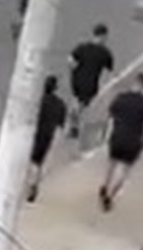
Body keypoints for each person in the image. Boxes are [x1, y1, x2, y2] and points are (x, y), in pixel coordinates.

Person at [100, 73, 143, 211]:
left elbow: (109, 119)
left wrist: (105, 136)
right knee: (125, 171)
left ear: (134, 83)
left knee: (112, 165)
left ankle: (105, 186)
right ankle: (111, 196)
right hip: (133, 141)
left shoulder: (120, 98)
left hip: (117, 137)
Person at [26, 75, 67, 203]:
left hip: (39, 133)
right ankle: (35, 182)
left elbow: (33, 117)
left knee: (34, 161)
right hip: (49, 135)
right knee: (40, 162)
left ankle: (32, 184)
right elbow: (61, 126)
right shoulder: (61, 104)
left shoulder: (41, 100)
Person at [68, 23, 114, 138]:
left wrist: (75, 71)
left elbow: (70, 61)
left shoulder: (82, 48)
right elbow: (109, 71)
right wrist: (105, 85)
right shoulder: (105, 53)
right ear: (103, 36)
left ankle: (73, 125)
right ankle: (75, 126)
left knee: (76, 103)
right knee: (83, 106)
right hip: (91, 83)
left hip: (77, 81)